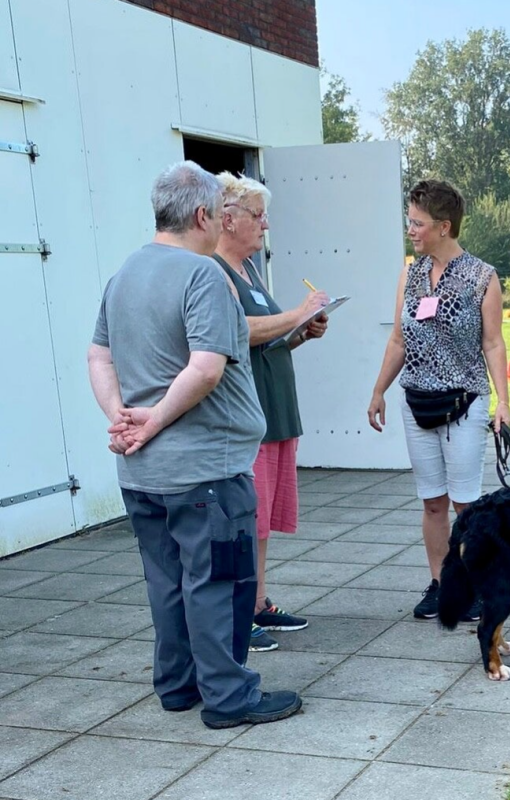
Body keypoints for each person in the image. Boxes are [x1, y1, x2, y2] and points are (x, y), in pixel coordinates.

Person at [87, 161, 301, 729]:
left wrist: (120, 419)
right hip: (206, 469)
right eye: (222, 212)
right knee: (220, 583)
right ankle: (230, 697)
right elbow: (207, 369)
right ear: (204, 215)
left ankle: (179, 687)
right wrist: (151, 420)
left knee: (168, 582)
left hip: (141, 473)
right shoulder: (204, 276)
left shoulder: (125, 274)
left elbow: (99, 355)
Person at [367, 179, 510, 620]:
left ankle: (478, 585)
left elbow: (493, 343)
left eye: (418, 222)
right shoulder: (408, 275)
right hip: (418, 404)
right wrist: (378, 390)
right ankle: (441, 584)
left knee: (466, 503)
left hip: (464, 403)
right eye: (409, 221)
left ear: (444, 227)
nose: (410, 229)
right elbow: (398, 340)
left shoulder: (481, 276)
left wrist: (503, 402)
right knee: (432, 501)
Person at [213, 171, 329, 653]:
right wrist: (297, 313)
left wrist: (301, 332)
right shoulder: (214, 271)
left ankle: (258, 601)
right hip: (248, 417)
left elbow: (267, 339)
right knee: (247, 519)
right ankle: (240, 613)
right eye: (258, 216)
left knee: (266, 520)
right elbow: (238, 331)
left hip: (277, 411)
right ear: (227, 218)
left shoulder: (251, 271)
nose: (265, 226)